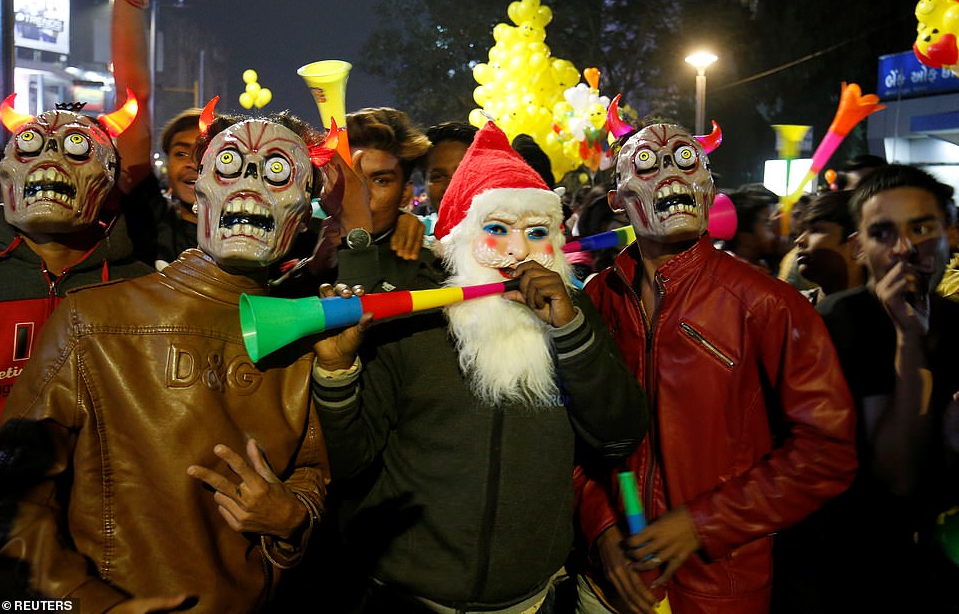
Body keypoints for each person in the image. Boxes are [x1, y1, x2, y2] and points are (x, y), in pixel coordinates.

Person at [0, 112, 334, 612]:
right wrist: (85, 604)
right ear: (198, 193)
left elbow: (309, 470)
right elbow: (13, 494)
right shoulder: (92, 318)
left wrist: (292, 518)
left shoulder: (305, 334)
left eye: (276, 171)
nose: (250, 187)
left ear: (303, 213)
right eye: (230, 165)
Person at [311, 120, 648, 613]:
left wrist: (571, 332)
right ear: (458, 240)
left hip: (534, 600)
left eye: (536, 233)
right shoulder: (413, 315)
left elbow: (619, 435)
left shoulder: (575, 314)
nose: (517, 253)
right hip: (405, 600)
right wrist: (338, 373)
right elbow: (348, 462)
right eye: (496, 230)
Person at [573, 118, 858, 614]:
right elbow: (572, 431)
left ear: (709, 188)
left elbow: (828, 450)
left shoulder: (768, 304)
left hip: (717, 590)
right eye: (647, 164)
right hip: (608, 586)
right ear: (618, 200)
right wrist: (601, 530)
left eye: (687, 162)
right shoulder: (598, 297)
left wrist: (703, 523)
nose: (673, 177)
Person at [785, 164, 959, 613]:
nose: (905, 249)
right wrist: (908, 338)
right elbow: (898, 476)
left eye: (921, 228)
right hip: (847, 577)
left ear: (950, 235)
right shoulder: (834, 327)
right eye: (883, 233)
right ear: (859, 247)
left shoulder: (956, 324)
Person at [0, 97, 152, 421]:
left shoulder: (143, 288)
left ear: (109, 179)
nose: (50, 161)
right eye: (30, 146)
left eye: (76, 149)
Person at [336, 107, 433, 291]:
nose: (361, 193)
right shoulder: (303, 244)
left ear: (405, 193)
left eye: (381, 181)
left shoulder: (426, 266)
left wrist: (357, 236)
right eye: (350, 178)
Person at [792, 190, 865, 304]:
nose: (799, 240)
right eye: (802, 230)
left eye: (816, 230)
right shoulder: (794, 307)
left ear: (858, 245)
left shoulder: (890, 313)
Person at [716, 183, 782, 274]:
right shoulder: (733, 275)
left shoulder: (764, 266)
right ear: (744, 236)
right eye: (768, 223)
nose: (777, 229)